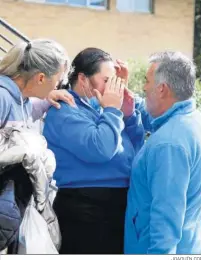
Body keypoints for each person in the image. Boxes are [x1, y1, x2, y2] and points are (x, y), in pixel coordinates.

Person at [43, 47, 145, 254]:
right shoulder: (63, 110)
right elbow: (100, 149)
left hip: (116, 205)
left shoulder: (102, 107)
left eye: (115, 81)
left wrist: (128, 115)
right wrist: (112, 111)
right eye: (107, 80)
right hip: (85, 210)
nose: (113, 88)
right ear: (83, 79)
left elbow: (135, 149)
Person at [124, 51, 201, 254]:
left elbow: (166, 218)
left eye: (147, 82)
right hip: (193, 246)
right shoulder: (197, 121)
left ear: (162, 89)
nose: (144, 88)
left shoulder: (169, 143)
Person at [0, 39, 74, 254]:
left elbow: (24, 113)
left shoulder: (21, 99)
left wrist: (45, 99)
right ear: (41, 77)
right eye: (58, 81)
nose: (58, 87)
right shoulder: (3, 97)